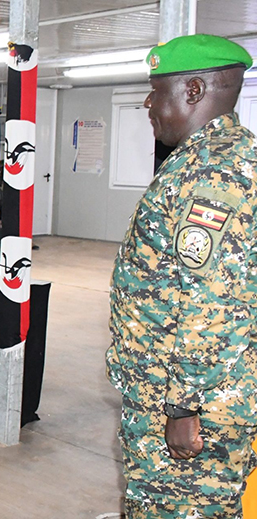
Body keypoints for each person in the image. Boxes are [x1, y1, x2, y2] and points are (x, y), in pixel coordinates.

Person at [105, 34, 257, 518]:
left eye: (157, 90)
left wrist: (182, 407)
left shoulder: (214, 175)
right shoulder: (203, 162)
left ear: (193, 91)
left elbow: (212, 305)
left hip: (191, 403)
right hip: (170, 392)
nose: (148, 102)